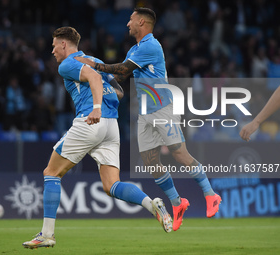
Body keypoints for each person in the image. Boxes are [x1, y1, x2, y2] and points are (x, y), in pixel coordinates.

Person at [22, 27, 173, 249]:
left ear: (64, 44)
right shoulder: (93, 59)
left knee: (51, 172)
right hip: (111, 126)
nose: (52, 50)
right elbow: (119, 92)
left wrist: (95, 107)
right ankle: (152, 205)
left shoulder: (68, 64)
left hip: (90, 120)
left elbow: (92, 76)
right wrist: (102, 100)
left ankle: (47, 234)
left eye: (54, 45)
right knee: (111, 185)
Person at [75, 7, 222, 231]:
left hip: (163, 108)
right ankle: (177, 203)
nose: (127, 24)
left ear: (142, 22)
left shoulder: (151, 45)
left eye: (131, 20)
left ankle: (211, 195)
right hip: (145, 114)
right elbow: (121, 74)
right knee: (151, 163)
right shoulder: (135, 49)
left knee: (179, 153)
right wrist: (96, 80)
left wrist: (92, 64)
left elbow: (123, 68)